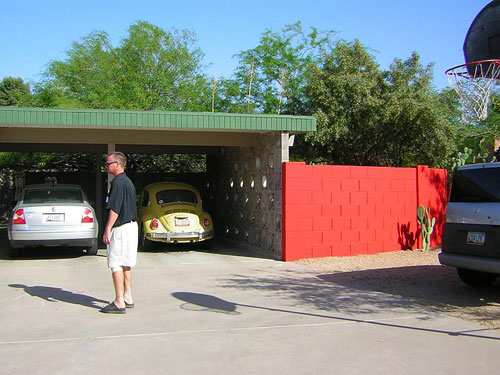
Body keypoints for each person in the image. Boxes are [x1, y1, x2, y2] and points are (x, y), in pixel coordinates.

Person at [100, 152, 138, 314]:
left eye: (108, 163)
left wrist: (107, 228)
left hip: (121, 228)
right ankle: (128, 296)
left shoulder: (118, 183)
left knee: (115, 263)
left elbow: (115, 208)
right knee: (126, 263)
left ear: (117, 164)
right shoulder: (128, 182)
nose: (106, 166)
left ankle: (119, 301)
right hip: (131, 227)